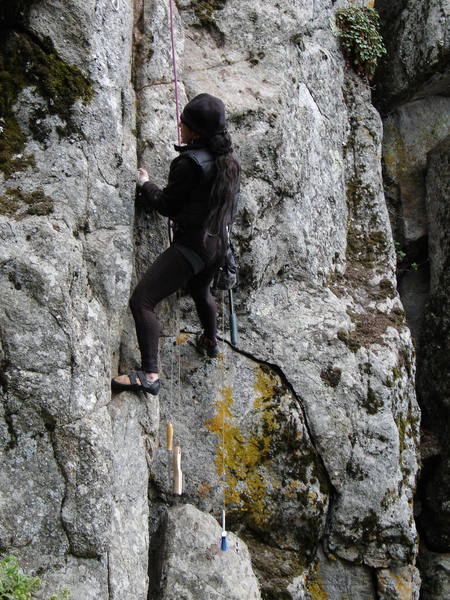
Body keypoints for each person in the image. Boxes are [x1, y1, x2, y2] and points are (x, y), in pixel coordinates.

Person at [111, 93, 240, 395]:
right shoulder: (229, 161)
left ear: (195, 130)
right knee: (200, 290)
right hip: (218, 244)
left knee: (142, 301)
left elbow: (166, 205)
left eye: (185, 121)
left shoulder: (189, 163)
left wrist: (145, 183)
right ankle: (210, 340)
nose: (180, 124)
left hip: (192, 247)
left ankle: (150, 375)